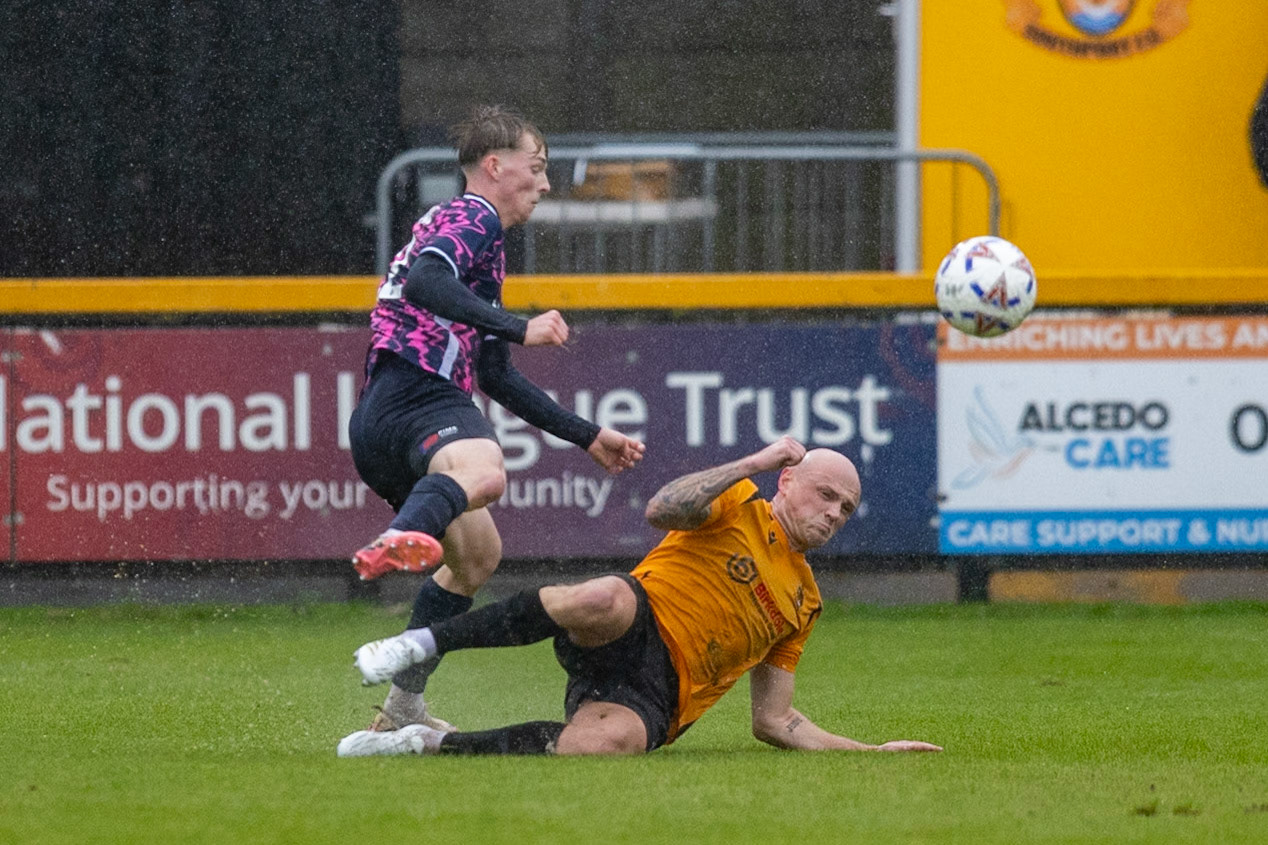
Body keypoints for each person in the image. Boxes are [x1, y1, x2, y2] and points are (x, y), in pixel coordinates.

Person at [337, 436, 942, 757]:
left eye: (846, 508)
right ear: (788, 481)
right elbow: (662, 508)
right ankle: (413, 646)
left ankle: (421, 743)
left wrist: (871, 751)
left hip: (661, 694)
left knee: (601, 747)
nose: (834, 513)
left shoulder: (805, 603)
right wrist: (754, 461)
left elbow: (774, 721)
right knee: (603, 597)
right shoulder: (743, 502)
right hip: (637, 618)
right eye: (826, 494)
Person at [347, 105, 646, 733]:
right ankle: (397, 537)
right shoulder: (472, 215)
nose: (544, 183)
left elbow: (495, 376)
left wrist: (587, 435)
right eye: (535, 168)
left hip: (383, 417)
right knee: (485, 468)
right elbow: (427, 280)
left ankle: (402, 708)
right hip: (416, 396)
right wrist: (520, 325)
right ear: (494, 166)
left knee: (479, 556)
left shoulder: (480, 243)